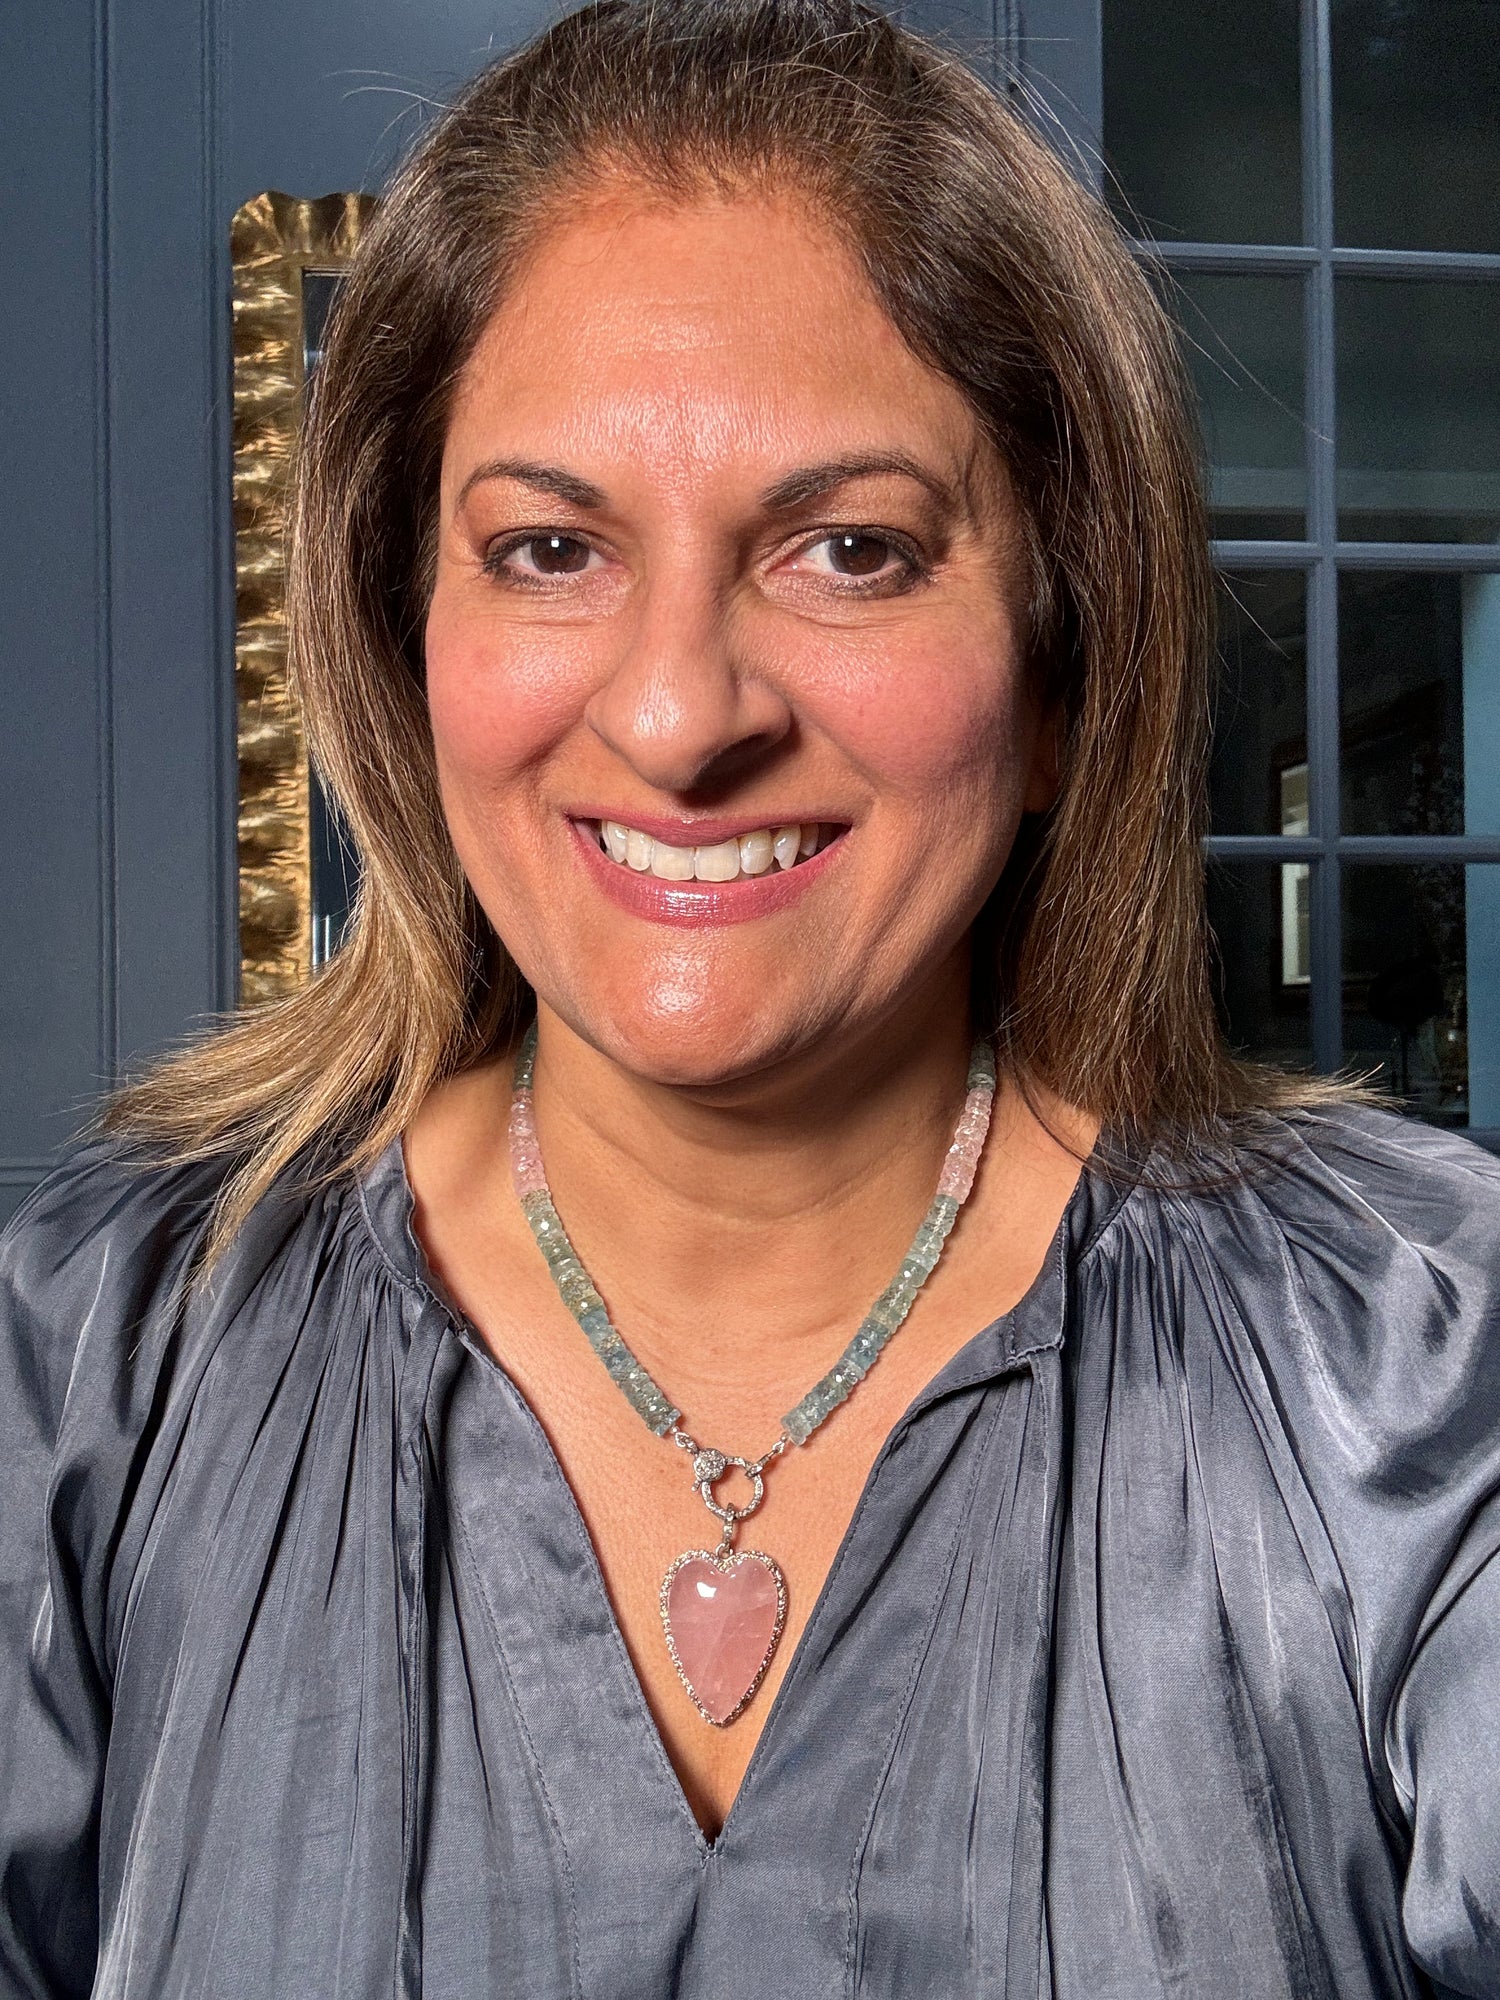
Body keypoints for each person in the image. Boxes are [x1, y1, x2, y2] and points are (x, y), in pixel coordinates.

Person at [2, 0, 1497, 1993]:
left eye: (852, 552)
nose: (680, 710)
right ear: (404, 641)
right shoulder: (84, 1370)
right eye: (548, 548)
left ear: (1062, 668)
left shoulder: (1417, 1372)